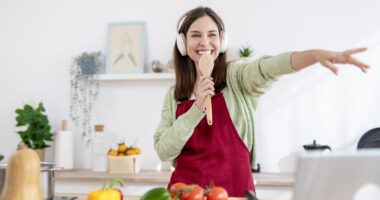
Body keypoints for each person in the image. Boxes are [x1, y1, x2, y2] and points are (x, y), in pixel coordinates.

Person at [153, 6, 369, 197]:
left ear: (222, 40)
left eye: (212, 35)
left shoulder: (236, 77)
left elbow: (269, 67)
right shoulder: (174, 95)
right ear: (183, 43)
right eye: (195, 35)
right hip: (186, 194)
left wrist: (314, 55)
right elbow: (164, 150)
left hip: (234, 192)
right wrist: (196, 109)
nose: (205, 42)